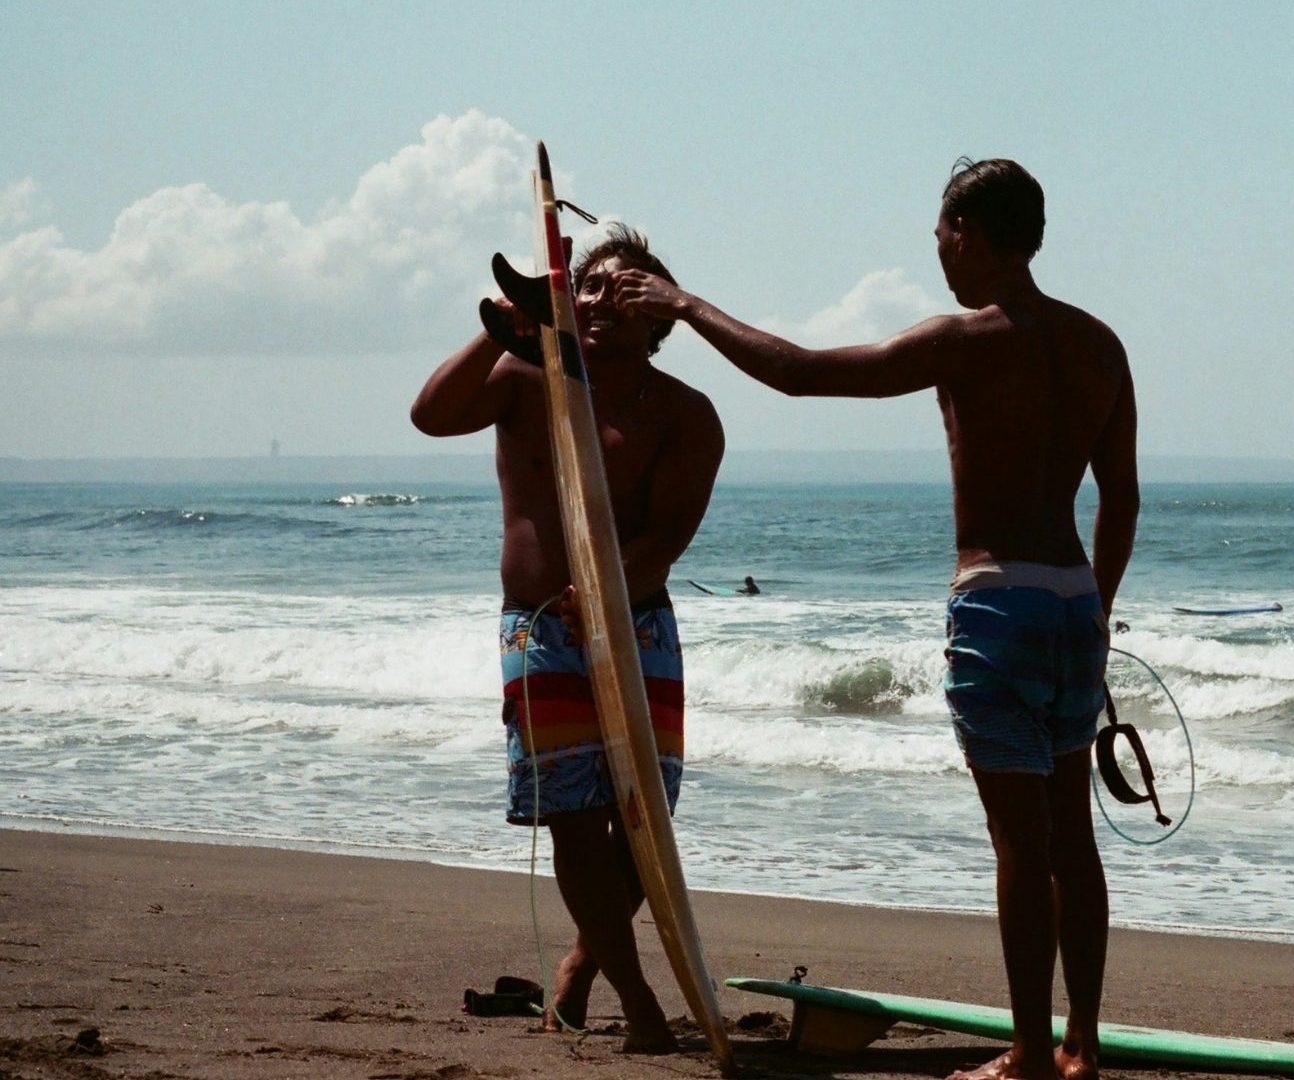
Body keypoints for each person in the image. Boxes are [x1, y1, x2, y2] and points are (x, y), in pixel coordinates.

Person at [609, 158, 1135, 1080]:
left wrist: (687, 305)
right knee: (1071, 838)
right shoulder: (1101, 345)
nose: (937, 253)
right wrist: (1100, 608)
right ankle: (1080, 1044)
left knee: (1019, 843)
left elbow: (803, 374)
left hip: (999, 599)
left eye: (940, 236)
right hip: (1074, 602)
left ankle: (1026, 1055)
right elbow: (1122, 499)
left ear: (968, 233)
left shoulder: (966, 340)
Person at [409, 224, 725, 1053]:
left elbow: (669, 534)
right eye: (583, 287)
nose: (593, 300)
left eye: (618, 290)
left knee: (644, 816)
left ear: (658, 318)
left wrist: (614, 586)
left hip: (637, 623)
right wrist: (509, 318)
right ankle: (641, 1001)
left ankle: (583, 964)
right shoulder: (525, 375)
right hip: (540, 629)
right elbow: (430, 415)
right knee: (577, 818)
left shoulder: (685, 413)